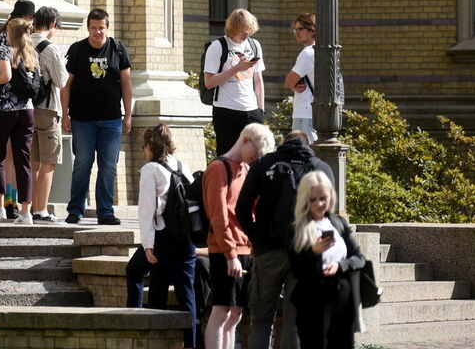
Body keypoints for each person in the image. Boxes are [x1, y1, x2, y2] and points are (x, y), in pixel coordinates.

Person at [237, 132, 335, 349]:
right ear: (307, 144)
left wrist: (256, 238)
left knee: (261, 321)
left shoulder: (264, 163)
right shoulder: (321, 168)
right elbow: (330, 218)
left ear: (283, 143)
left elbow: (242, 208)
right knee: (294, 323)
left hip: (269, 251)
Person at [203, 123, 276, 349]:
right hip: (226, 250)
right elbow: (218, 215)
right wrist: (230, 254)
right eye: (256, 154)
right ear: (245, 140)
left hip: (245, 248)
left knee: (236, 314)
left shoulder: (245, 169)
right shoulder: (218, 168)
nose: (256, 159)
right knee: (221, 310)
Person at [126, 124, 198, 349]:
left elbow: (147, 210)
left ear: (149, 145)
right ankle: (190, 343)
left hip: (163, 237)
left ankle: (135, 327)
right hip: (185, 238)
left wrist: (148, 245)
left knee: (134, 271)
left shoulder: (151, 170)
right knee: (184, 293)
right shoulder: (182, 167)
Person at [62, 7, 133, 225]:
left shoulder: (118, 49)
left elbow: (126, 84)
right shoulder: (77, 50)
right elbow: (66, 85)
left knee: (109, 165)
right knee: (83, 163)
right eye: (93, 28)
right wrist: (65, 115)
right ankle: (75, 210)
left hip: (111, 118)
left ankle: (106, 211)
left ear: (107, 27)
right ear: (88, 28)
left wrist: (128, 115)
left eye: (101, 28)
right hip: (82, 119)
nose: (97, 32)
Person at [287, 171, 364, 349]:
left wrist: (339, 265)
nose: (319, 204)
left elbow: (358, 258)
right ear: (304, 200)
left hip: (341, 298)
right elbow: (297, 270)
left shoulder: (338, 223)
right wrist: (313, 252)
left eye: (323, 198)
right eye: (313, 199)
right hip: (311, 300)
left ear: (331, 196)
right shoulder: (296, 229)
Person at [0, 16, 37, 225]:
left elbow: (6, 76)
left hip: (4, 109)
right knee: (23, 161)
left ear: (10, 33)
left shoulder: (4, 50)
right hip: (26, 111)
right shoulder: (31, 53)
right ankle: (26, 212)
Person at [203, 8, 266, 156]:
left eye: (250, 31)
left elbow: (258, 80)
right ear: (233, 28)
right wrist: (237, 68)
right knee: (228, 157)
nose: (247, 35)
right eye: (243, 31)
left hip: (252, 111)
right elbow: (209, 82)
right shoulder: (218, 47)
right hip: (226, 111)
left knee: (256, 158)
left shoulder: (254, 45)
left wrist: (261, 110)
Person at [30, 6, 66, 222]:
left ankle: (32, 207)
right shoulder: (50, 49)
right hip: (48, 109)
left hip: (26, 109)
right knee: (48, 161)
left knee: (33, 162)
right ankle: (41, 210)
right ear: (52, 23)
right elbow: (61, 81)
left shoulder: (21, 43)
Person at [284, 14, 317, 143]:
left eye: (300, 29)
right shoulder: (320, 51)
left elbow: (288, 82)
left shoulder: (308, 53)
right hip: (316, 114)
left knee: (302, 157)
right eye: (295, 29)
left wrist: (292, 85)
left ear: (312, 30)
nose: (296, 33)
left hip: (305, 113)